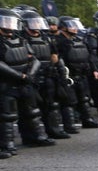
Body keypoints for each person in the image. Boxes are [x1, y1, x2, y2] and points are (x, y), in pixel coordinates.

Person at [0, 8, 56, 158]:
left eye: (10, 21)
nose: (8, 25)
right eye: (4, 21)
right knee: (7, 115)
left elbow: (34, 59)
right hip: (6, 84)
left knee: (32, 111)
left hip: (25, 82)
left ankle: (36, 137)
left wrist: (30, 74)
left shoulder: (21, 39)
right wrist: (20, 76)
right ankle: (6, 145)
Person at [18, 9, 70, 139]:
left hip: (48, 74)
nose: (36, 25)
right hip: (31, 76)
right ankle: (30, 136)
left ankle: (53, 130)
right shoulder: (21, 38)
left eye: (37, 22)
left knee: (51, 104)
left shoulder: (46, 37)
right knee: (30, 108)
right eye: (33, 22)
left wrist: (58, 69)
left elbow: (54, 55)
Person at [54, 16, 98, 129]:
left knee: (84, 99)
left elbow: (89, 56)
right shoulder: (58, 41)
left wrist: (95, 70)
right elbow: (57, 59)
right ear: (63, 27)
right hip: (68, 75)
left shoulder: (79, 40)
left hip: (82, 74)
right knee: (69, 101)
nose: (75, 28)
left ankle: (88, 120)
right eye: (71, 25)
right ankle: (69, 125)